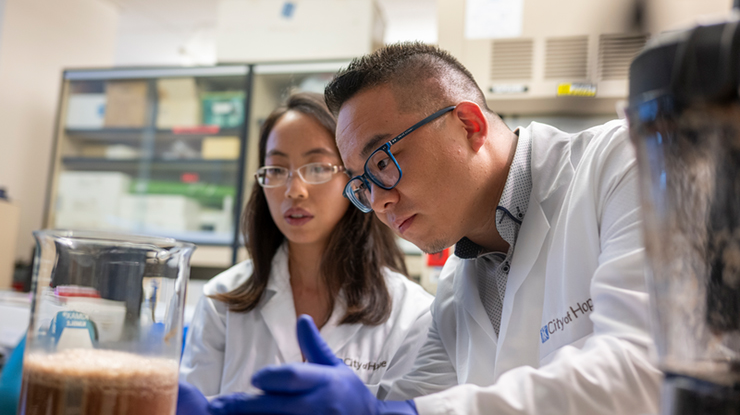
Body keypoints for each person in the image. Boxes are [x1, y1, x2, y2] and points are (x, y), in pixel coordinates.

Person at [177, 44, 662, 415]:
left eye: (384, 161)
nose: (380, 200)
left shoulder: (622, 164)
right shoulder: (456, 286)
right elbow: (405, 400)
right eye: (363, 185)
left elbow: (645, 368)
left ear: (469, 124)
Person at [180, 92, 434, 399]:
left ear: (355, 179)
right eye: (276, 169)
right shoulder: (221, 301)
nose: (294, 191)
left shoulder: (410, 314)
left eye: (317, 168)